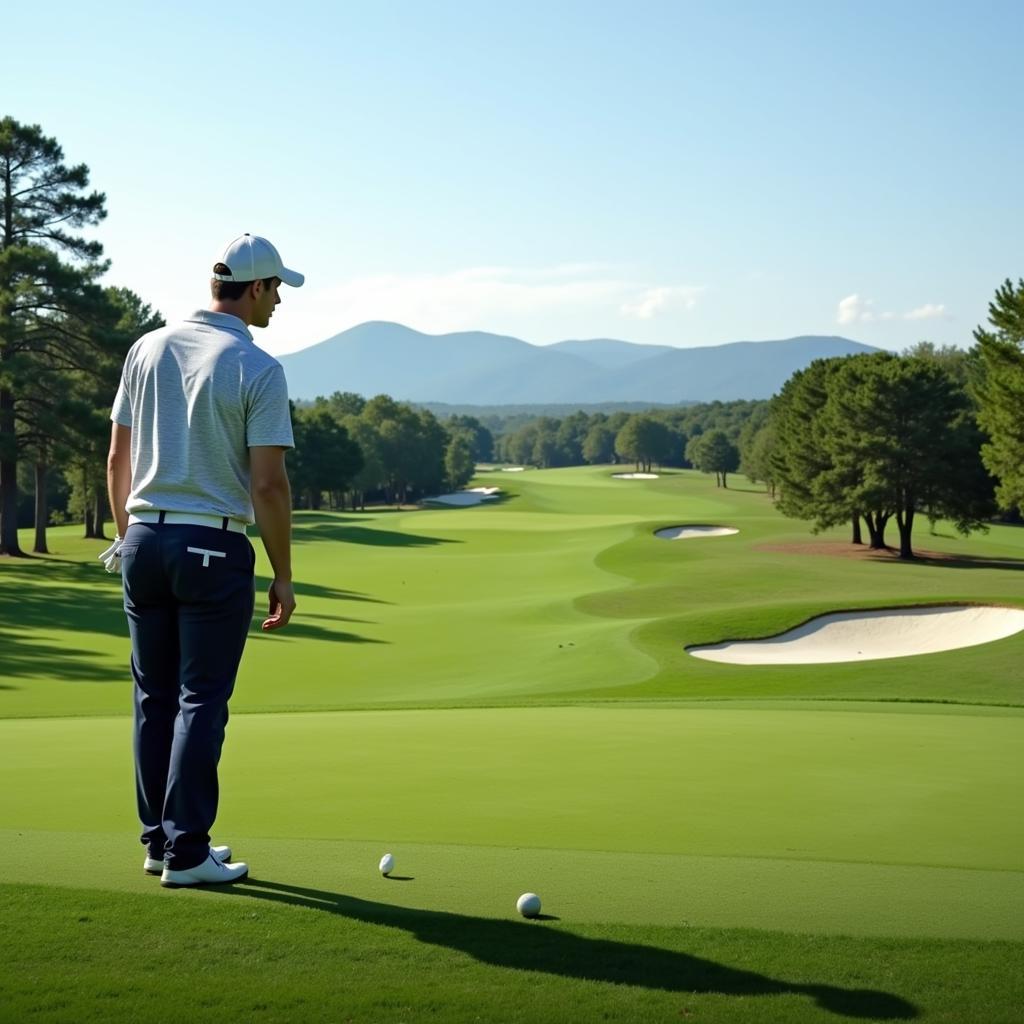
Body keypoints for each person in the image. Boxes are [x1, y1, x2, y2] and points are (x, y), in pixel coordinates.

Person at [104, 233, 302, 887]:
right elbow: (268, 485)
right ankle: (188, 852)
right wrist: (283, 573)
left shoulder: (146, 347)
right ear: (254, 289)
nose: (278, 303)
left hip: (142, 539)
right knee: (199, 701)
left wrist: (125, 533)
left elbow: (117, 460)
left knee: (152, 698)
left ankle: (159, 844)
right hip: (212, 545)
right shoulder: (258, 368)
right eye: (277, 290)